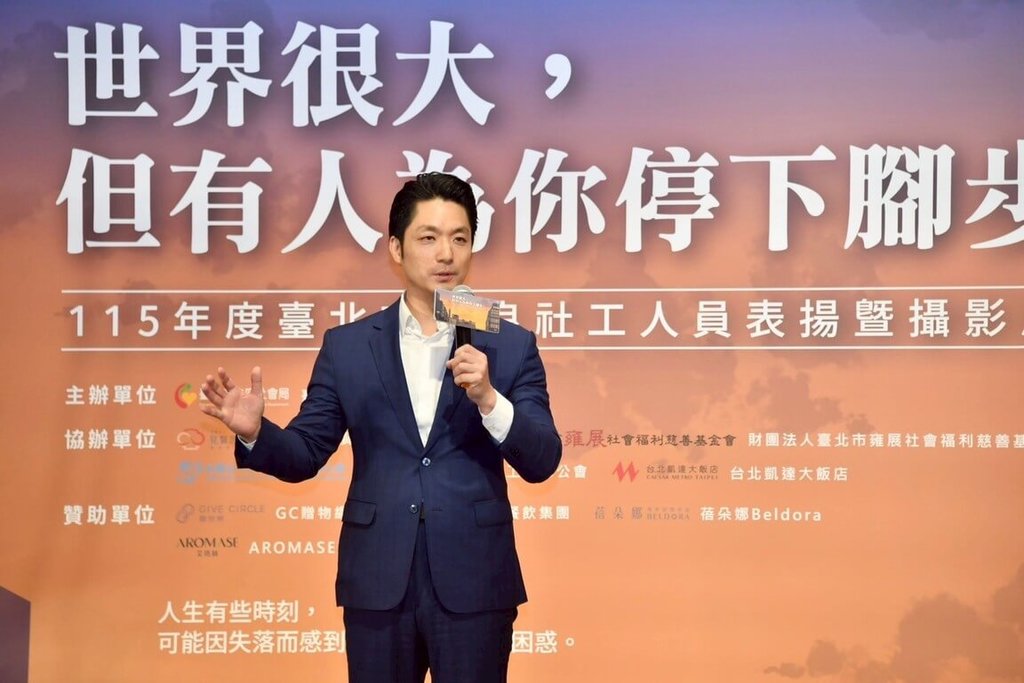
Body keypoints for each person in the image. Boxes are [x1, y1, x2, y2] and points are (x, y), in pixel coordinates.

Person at [199, 172, 562, 682]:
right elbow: (305, 452)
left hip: (476, 578)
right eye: (428, 237)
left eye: (460, 239)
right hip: (377, 579)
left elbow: (543, 458)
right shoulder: (348, 346)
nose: (446, 254)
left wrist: (488, 399)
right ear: (396, 247)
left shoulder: (509, 344)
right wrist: (257, 432)